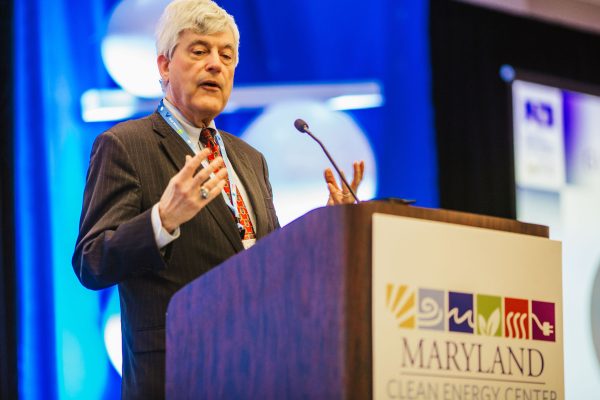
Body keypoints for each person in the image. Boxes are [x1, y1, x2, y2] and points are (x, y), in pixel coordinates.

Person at [72, 0, 364, 398]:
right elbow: (92, 261)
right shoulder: (125, 145)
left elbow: (266, 260)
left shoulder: (250, 159)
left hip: (257, 374)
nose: (215, 64)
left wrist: (323, 228)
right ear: (163, 66)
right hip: (175, 375)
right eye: (199, 51)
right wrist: (162, 220)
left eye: (226, 56)